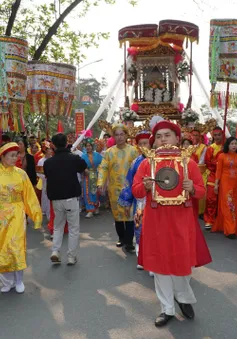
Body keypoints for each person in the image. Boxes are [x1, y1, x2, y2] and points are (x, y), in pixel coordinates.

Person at [132, 120, 210, 327]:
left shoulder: (189, 163)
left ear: (177, 138)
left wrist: (193, 188)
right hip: (156, 220)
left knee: (182, 264)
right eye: (158, 136)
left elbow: (202, 192)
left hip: (181, 221)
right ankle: (167, 308)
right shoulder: (147, 163)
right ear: (153, 142)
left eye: (167, 135)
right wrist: (145, 186)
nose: (163, 139)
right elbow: (136, 190)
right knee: (160, 266)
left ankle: (183, 298)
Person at [0, 142, 42, 293]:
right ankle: (6, 282)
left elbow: (29, 196)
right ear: (2, 157)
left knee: (16, 246)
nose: (14, 158)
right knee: (2, 248)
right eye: (11, 156)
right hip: (1, 216)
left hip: (17, 213)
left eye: (16, 155)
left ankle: (18, 280)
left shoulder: (21, 174)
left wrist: (36, 215)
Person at [43, 133, 87, 265]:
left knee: (58, 226)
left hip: (56, 198)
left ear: (54, 145)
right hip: (71, 197)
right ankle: (71, 256)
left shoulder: (48, 162)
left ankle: (55, 251)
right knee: (73, 228)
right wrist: (71, 152)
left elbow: (47, 175)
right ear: (66, 142)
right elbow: (83, 166)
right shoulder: (73, 158)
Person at [97, 122, 139, 251]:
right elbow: (103, 168)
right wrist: (100, 183)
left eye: (122, 134)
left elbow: (139, 168)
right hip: (114, 189)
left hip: (130, 188)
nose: (120, 137)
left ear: (126, 135)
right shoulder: (109, 152)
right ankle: (121, 238)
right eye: (117, 135)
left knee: (131, 215)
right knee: (118, 216)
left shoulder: (133, 151)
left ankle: (129, 242)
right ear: (113, 137)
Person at [118, 131, 151, 265]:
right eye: (141, 144)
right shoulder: (136, 163)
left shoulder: (158, 160)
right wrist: (127, 203)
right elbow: (129, 183)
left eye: (146, 143)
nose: (144, 146)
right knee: (139, 229)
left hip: (158, 202)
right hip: (140, 202)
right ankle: (141, 257)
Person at [212, 137, 237, 238]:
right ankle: (230, 230)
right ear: (228, 145)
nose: (234, 146)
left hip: (235, 183)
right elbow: (218, 171)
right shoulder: (222, 156)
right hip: (225, 183)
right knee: (228, 205)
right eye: (232, 144)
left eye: (235, 144)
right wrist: (216, 184)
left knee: (234, 205)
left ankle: (232, 227)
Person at [204, 127, 223, 230]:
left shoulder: (226, 147)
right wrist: (217, 164)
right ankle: (209, 220)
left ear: (222, 135)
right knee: (211, 199)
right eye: (215, 135)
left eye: (219, 135)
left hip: (224, 176)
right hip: (212, 176)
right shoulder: (210, 148)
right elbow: (208, 163)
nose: (217, 137)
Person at [81, 138, 103, 218]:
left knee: (96, 192)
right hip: (87, 176)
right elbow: (80, 165)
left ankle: (96, 207)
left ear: (92, 146)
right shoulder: (83, 156)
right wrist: (84, 169)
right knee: (87, 192)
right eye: (86, 146)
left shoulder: (97, 155)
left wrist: (99, 170)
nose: (88, 147)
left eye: (89, 146)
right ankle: (90, 210)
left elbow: (103, 165)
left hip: (96, 175)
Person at [37, 147, 53, 221]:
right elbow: (38, 173)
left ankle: (51, 214)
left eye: (51, 150)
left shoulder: (53, 159)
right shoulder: (41, 161)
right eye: (49, 149)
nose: (50, 151)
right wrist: (45, 177)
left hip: (53, 181)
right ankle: (47, 213)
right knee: (46, 197)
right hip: (45, 181)